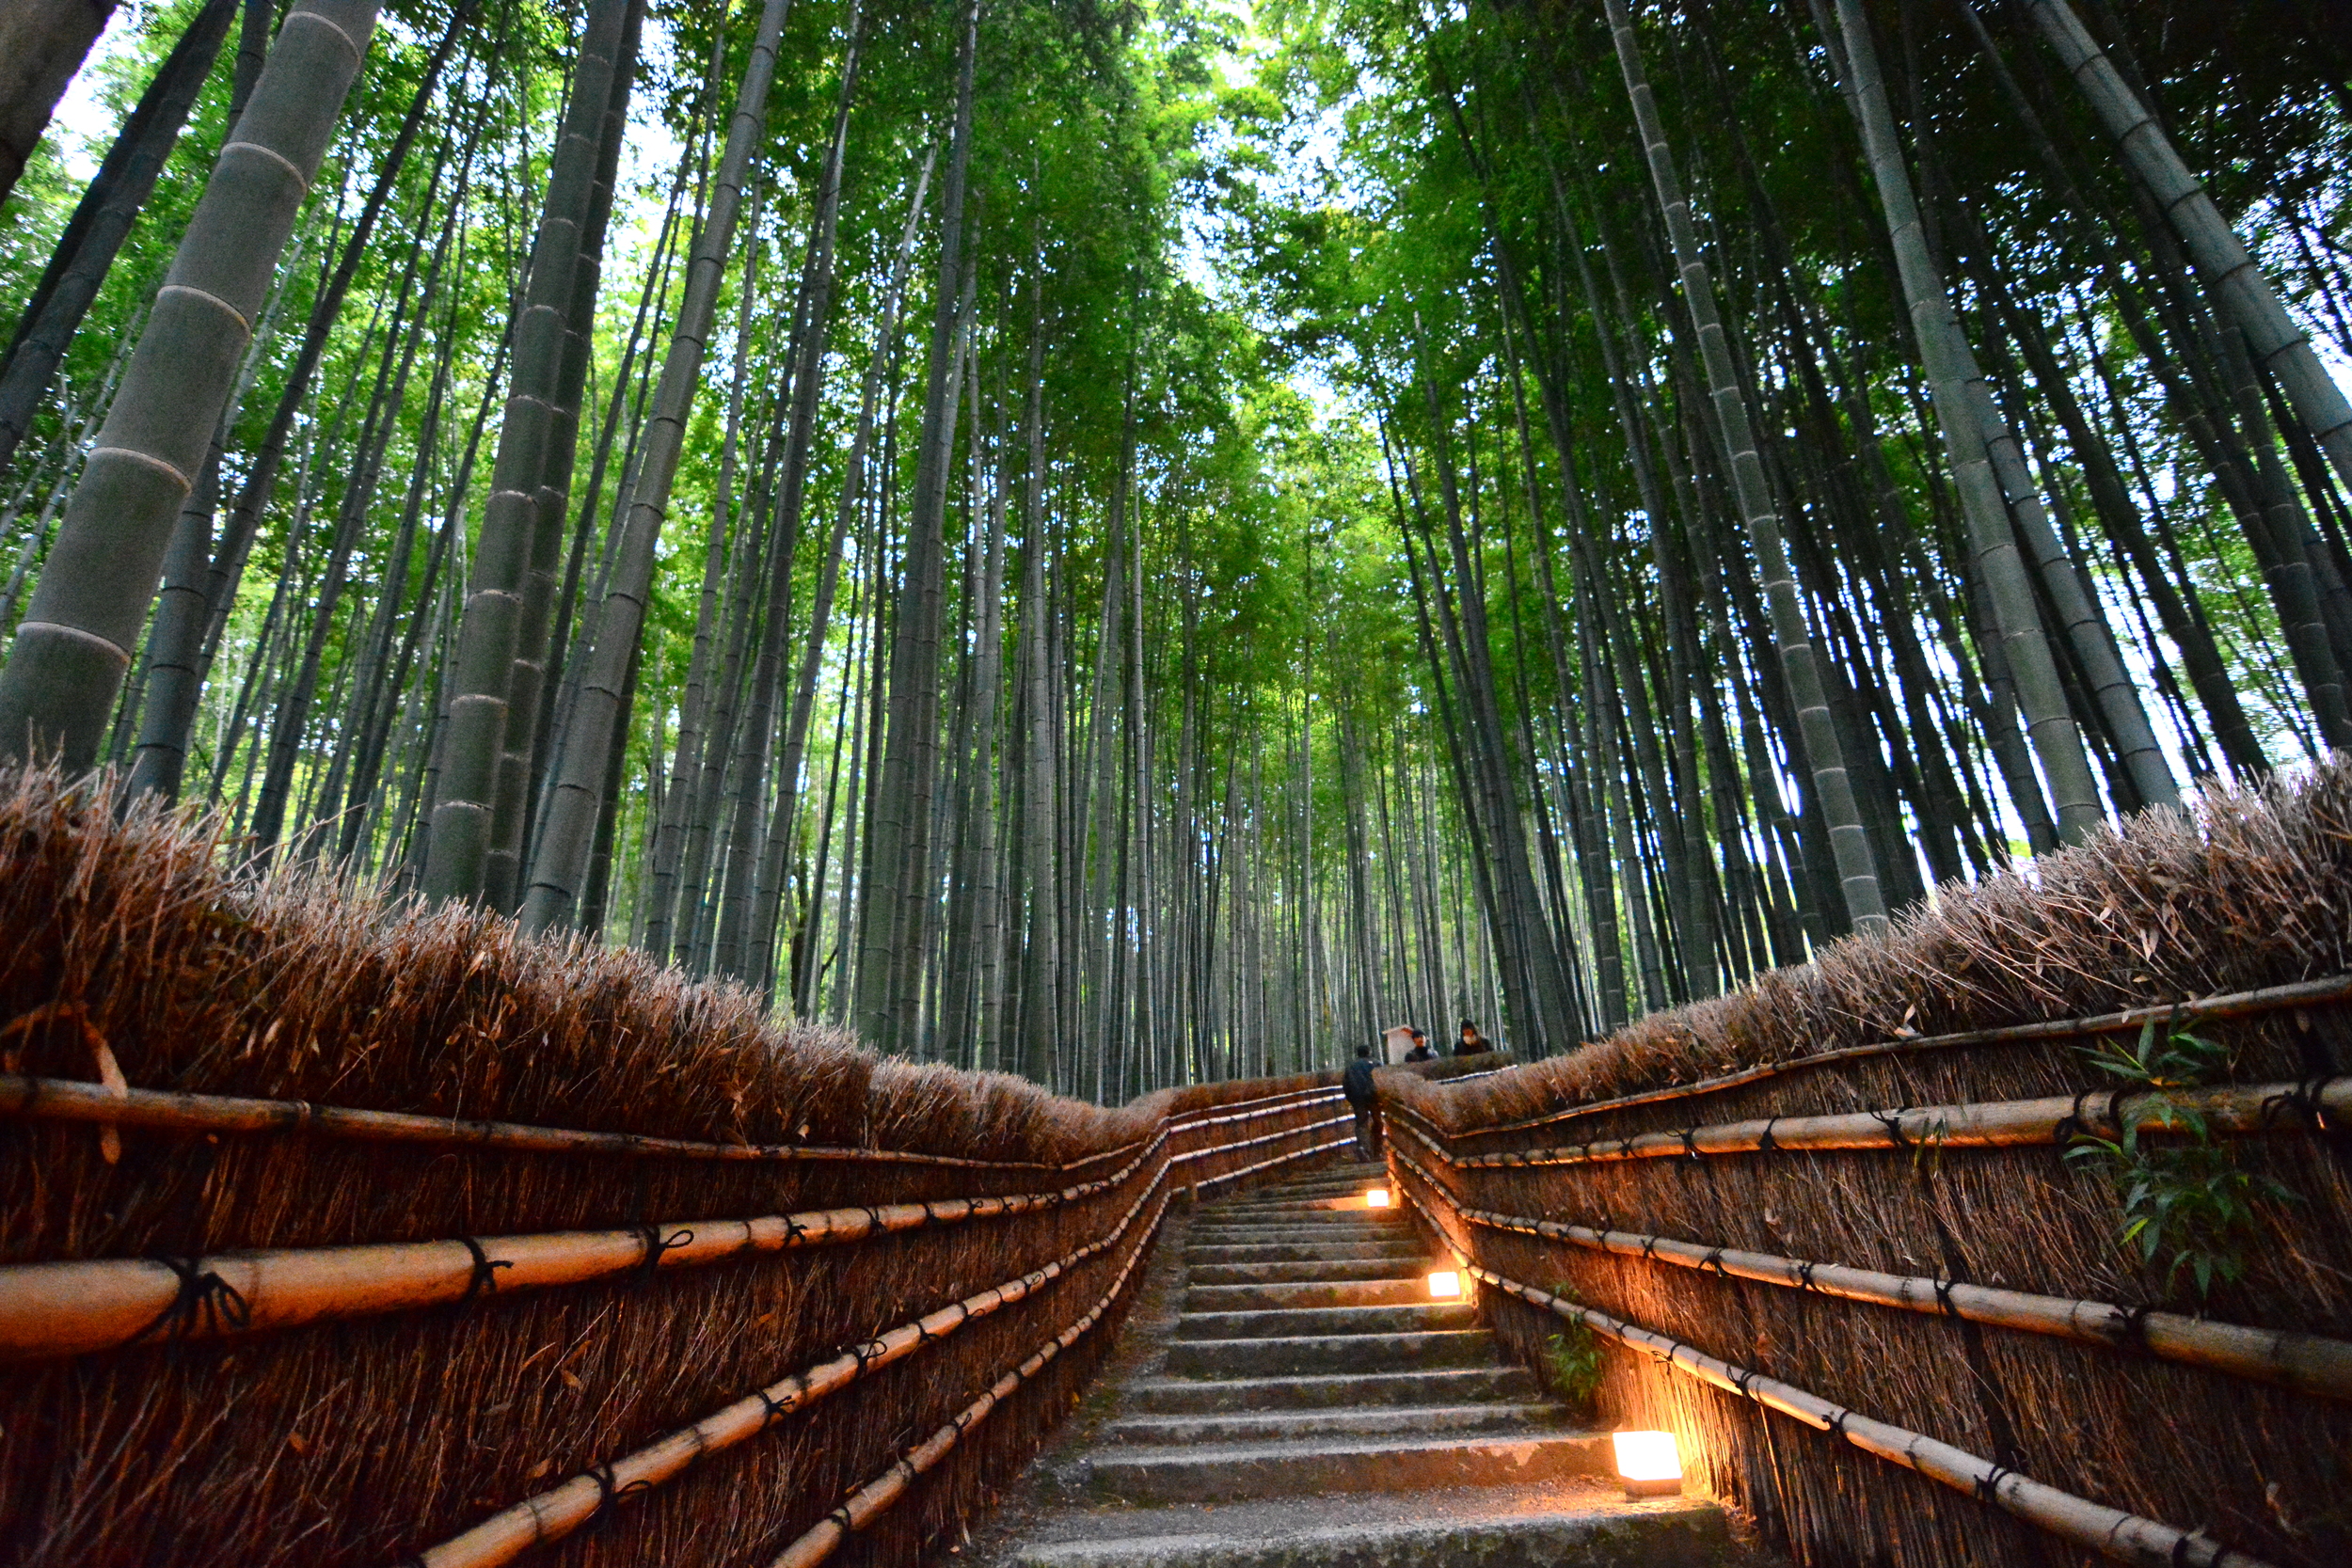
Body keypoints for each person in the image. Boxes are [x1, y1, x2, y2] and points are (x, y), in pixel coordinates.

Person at [1342, 1044, 1382, 1160]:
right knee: (1377, 1122)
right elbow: (1382, 1081)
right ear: (1369, 1052)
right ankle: (1377, 1151)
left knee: (1361, 1123)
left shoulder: (1351, 1066)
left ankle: (1364, 1149)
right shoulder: (1377, 1063)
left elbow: (1346, 1084)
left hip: (1358, 1098)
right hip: (1375, 1098)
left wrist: (1351, 1098)